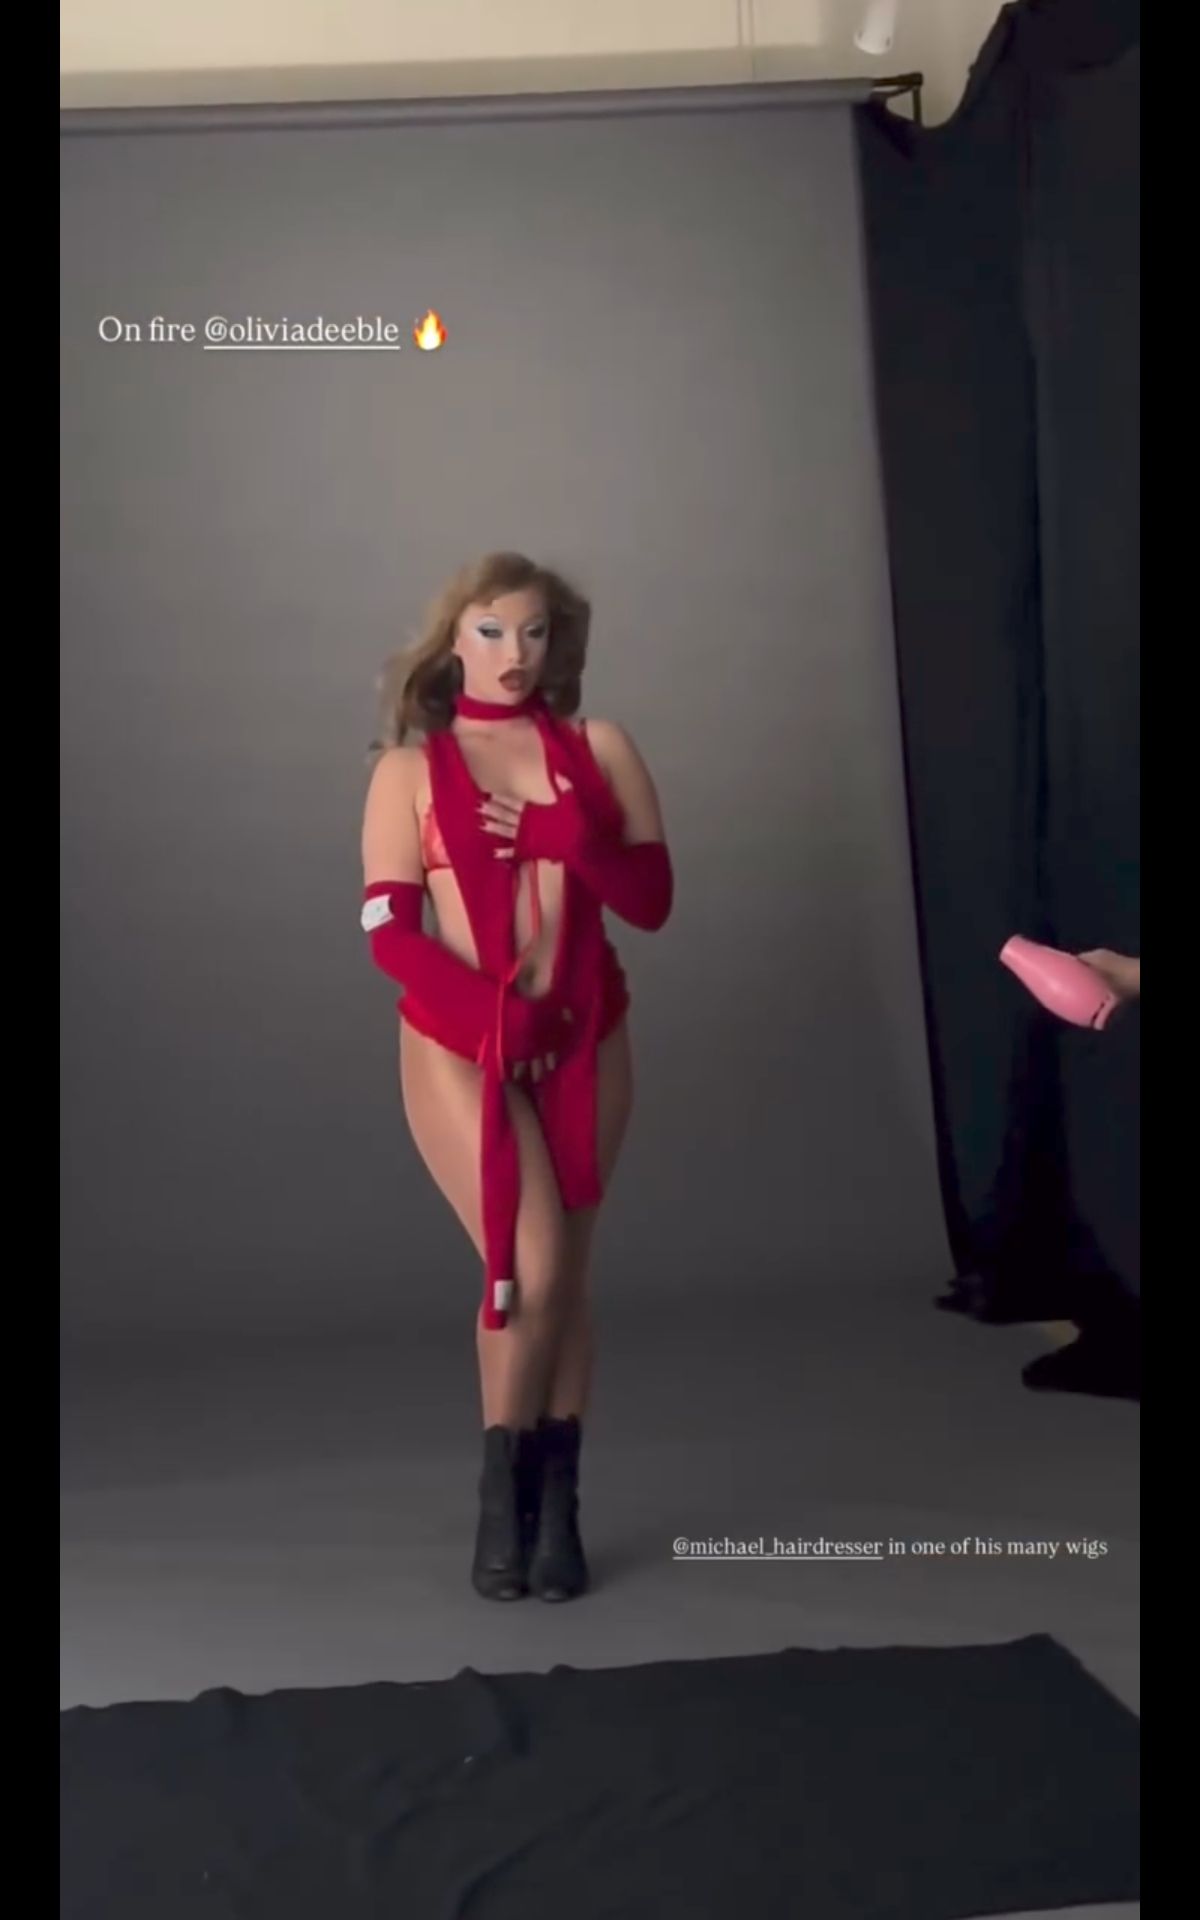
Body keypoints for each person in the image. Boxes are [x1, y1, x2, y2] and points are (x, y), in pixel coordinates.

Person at [360, 553, 673, 1602]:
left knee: (568, 1276)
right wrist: (493, 1019)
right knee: (526, 1265)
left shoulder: (599, 748)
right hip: (461, 1041)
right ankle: (504, 1500)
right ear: (453, 640)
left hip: (588, 1035)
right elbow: (390, 934)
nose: (514, 654)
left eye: (535, 632)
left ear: (559, 643)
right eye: (491, 631)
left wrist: (569, 840)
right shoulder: (408, 772)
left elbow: (651, 901)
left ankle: (557, 1510)